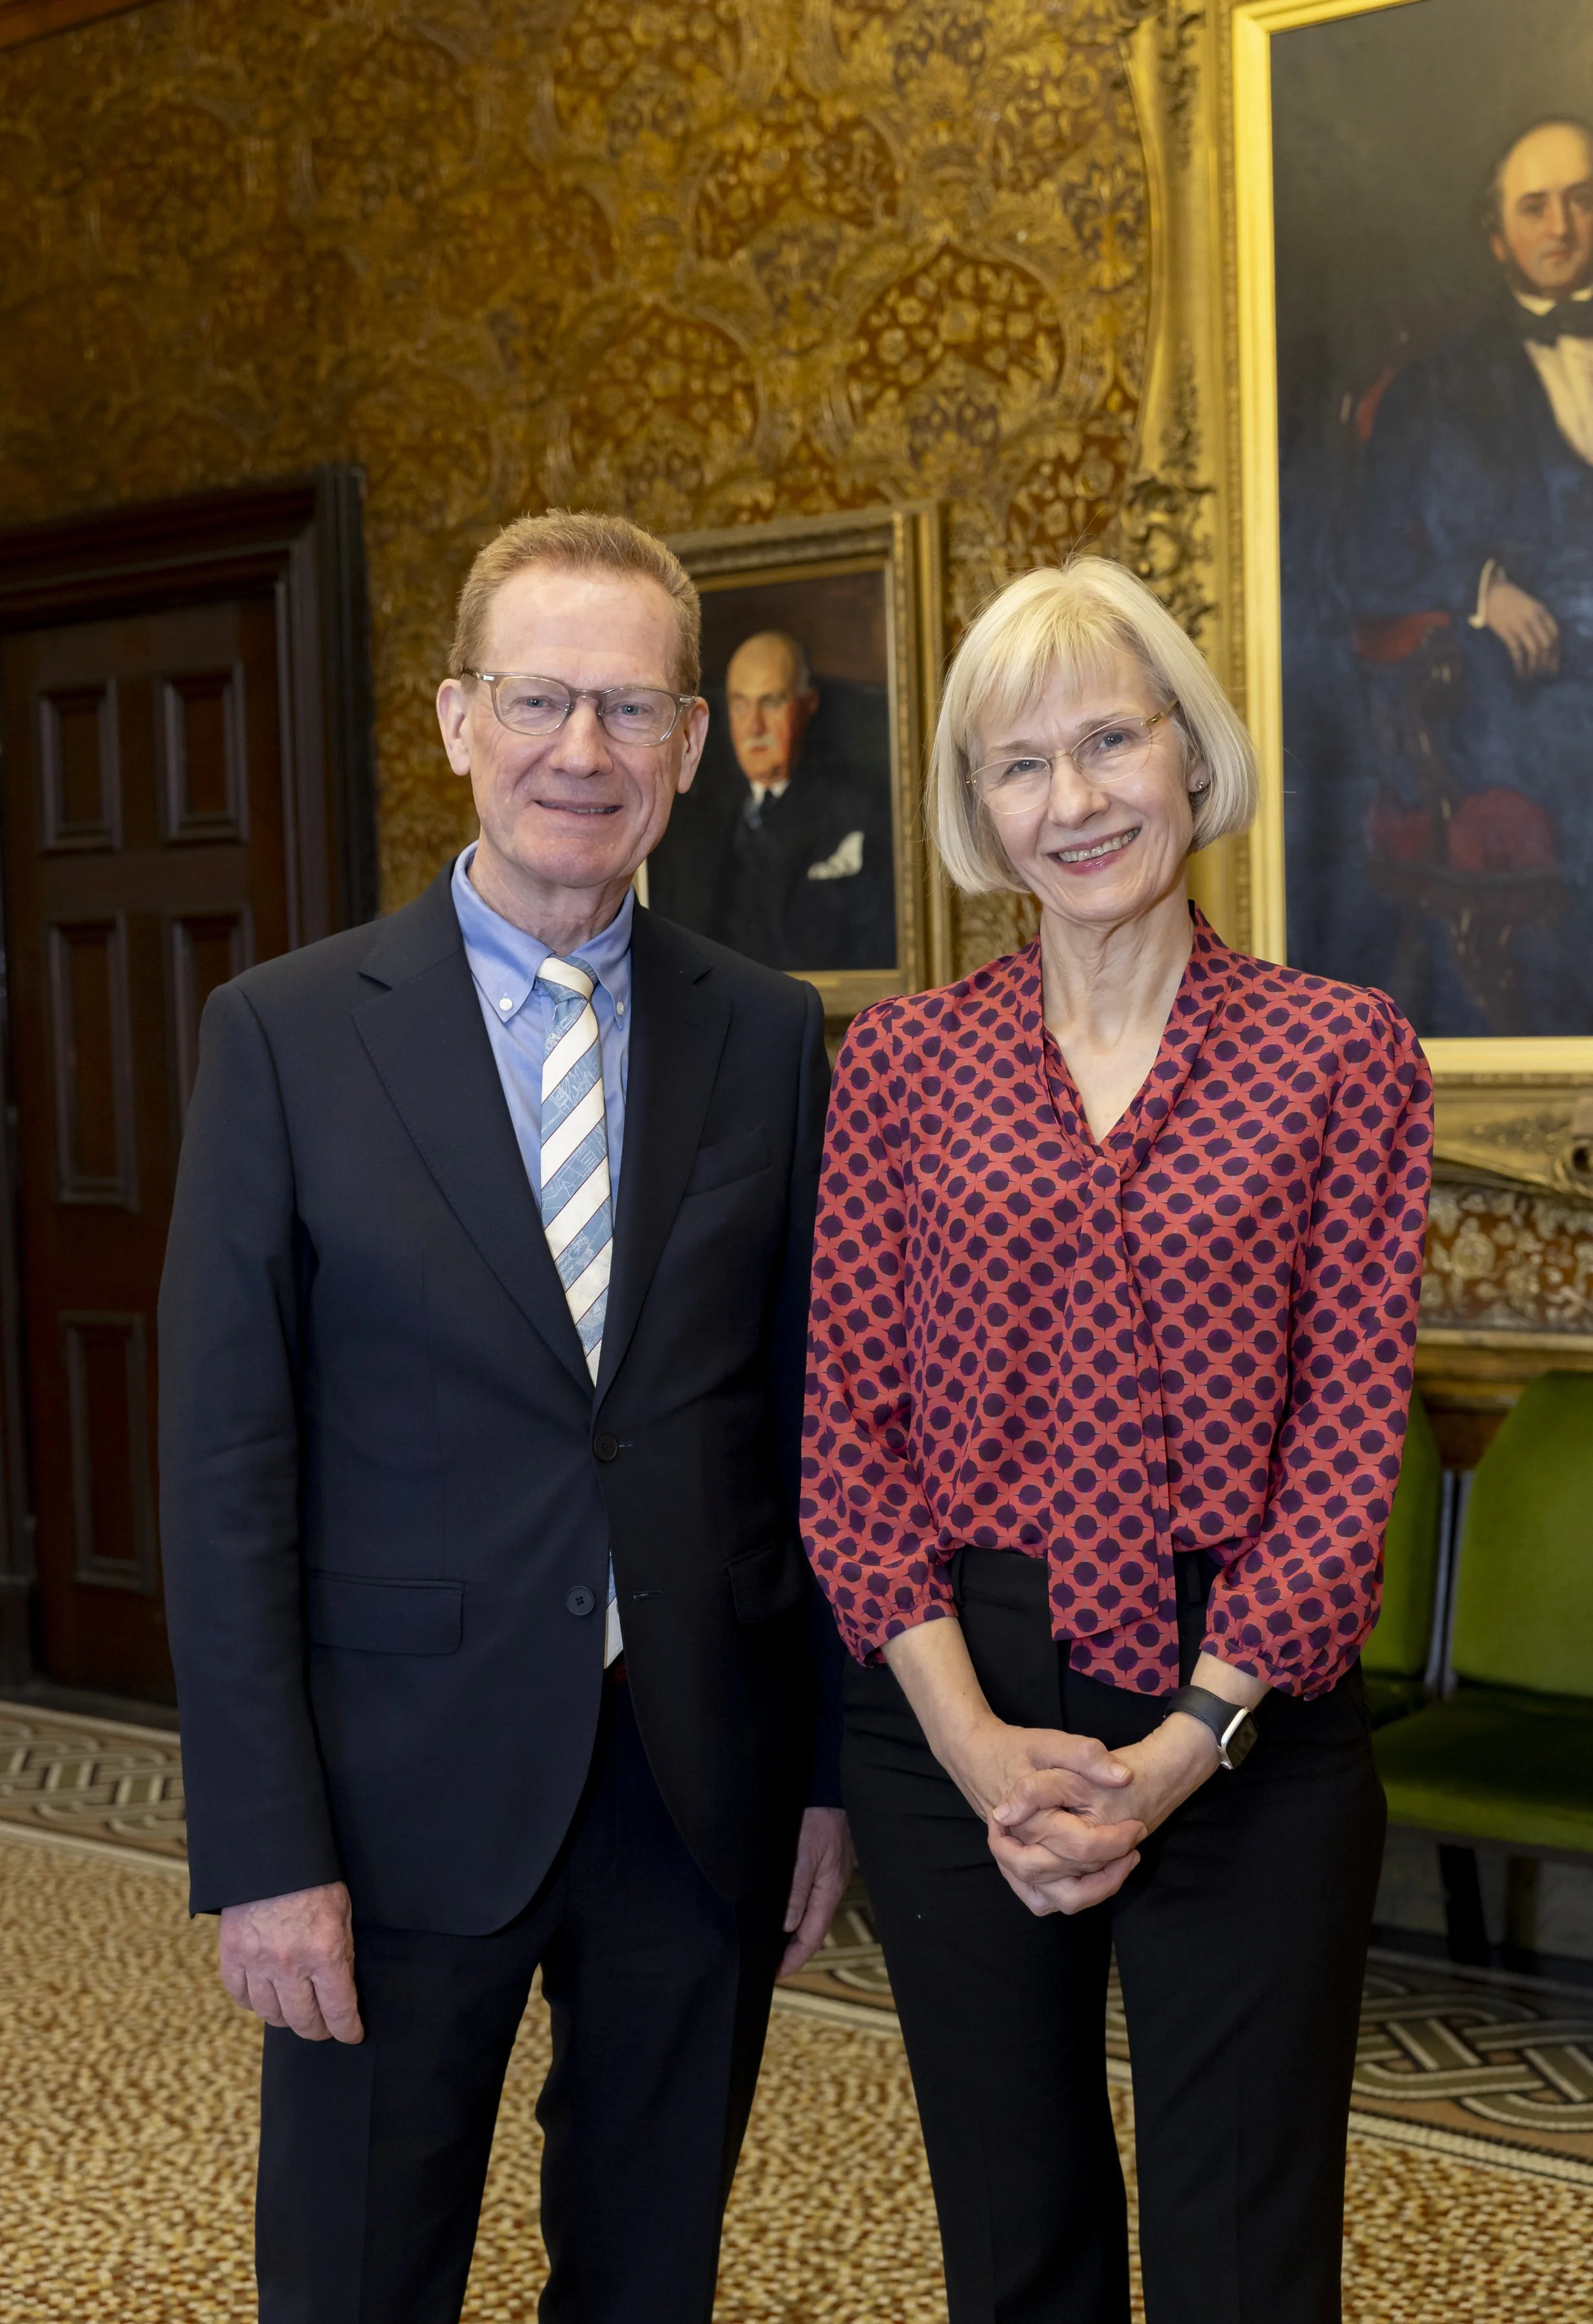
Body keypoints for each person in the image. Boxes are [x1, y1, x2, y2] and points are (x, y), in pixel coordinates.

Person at [159, 509, 851, 2324]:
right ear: (457, 718)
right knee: (357, 2281)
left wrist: (825, 1780)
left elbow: (812, 1435)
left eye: (629, 710)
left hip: (691, 1793)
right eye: (540, 700)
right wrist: (262, 1849)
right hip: (387, 1805)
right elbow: (227, 1472)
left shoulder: (775, 1040)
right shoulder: (285, 1036)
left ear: (690, 746)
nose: (582, 753)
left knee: (646, 2278)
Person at [801, 556, 1434, 2323]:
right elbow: (845, 1435)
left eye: (1108, 740)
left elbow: (1345, 1444)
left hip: (1247, 1715)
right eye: (1020, 763)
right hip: (958, 1699)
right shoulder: (901, 1071)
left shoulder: (1339, 1054)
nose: (1073, 799)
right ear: (976, 811)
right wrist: (976, 1747)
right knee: (1015, 2247)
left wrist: (1175, 1753)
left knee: (1243, 2257)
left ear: (1188, 753)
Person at [1353, 116, 1593, 1030]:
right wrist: (1476, 587)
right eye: (1532, 208)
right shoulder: (1434, 388)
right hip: (1513, 690)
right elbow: (1362, 563)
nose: (1559, 228)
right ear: (1496, 235)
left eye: (1578, 199)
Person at [649, 629, 896, 972]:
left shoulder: (860, 809)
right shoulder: (692, 818)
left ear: (808, 705)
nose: (755, 726)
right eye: (741, 705)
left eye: (772, 702)